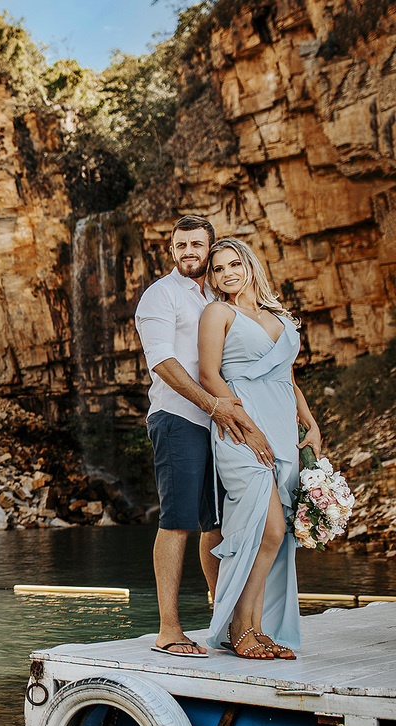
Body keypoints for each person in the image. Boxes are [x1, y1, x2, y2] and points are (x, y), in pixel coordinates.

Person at [134, 216, 272, 658]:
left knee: (215, 524)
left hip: (219, 423)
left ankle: (228, 624)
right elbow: (162, 362)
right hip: (179, 419)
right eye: (181, 245)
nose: (188, 251)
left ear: (209, 248)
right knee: (177, 521)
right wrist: (213, 405)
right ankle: (169, 630)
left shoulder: (216, 294)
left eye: (197, 244)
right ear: (172, 250)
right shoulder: (161, 295)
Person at [198, 237, 321, 659]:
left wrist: (310, 423)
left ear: (249, 265)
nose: (227, 274)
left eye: (234, 264)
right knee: (261, 527)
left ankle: (256, 627)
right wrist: (248, 428)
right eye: (218, 269)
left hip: (282, 428)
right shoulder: (218, 312)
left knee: (277, 534)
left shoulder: (279, 317)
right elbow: (209, 376)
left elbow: (288, 379)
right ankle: (237, 627)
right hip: (239, 428)